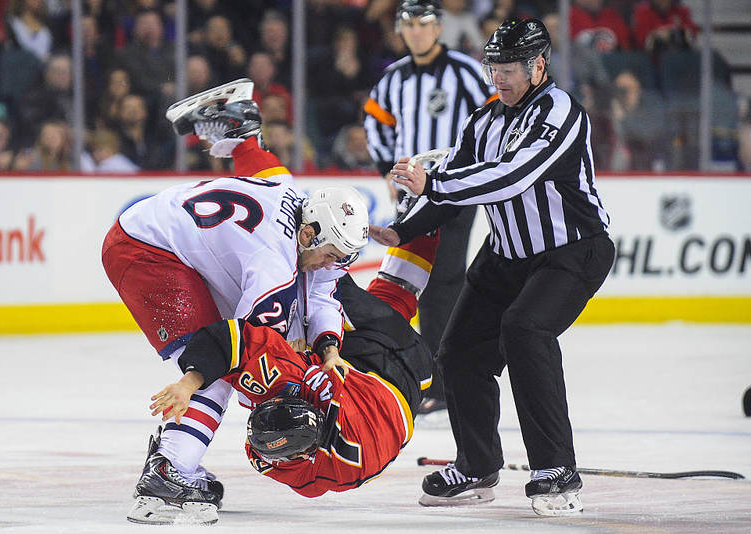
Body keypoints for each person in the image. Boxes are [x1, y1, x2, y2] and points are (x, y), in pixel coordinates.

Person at [370, 18, 614, 516]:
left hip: (572, 251)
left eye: (507, 70)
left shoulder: (561, 111)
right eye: (492, 69)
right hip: (506, 255)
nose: (497, 79)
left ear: (538, 66)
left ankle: (556, 470)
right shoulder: (482, 121)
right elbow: (455, 182)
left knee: (524, 330)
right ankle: (477, 466)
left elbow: (513, 175)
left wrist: (432, 186)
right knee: (458, 351)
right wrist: (405, 229)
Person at [102, 80, 370, 524]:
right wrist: (191, 382)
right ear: (308, 235)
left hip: (164, 239)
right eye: (330, 254)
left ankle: (238, 117)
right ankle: (171, 469)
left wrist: (328, 347)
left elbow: (257, 158)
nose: (332, 265)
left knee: (238, 349)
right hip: (143, 252)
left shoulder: (292, 193)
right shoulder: (273, 267)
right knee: (227, 371)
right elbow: (235, 344)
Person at [147, 218, 441, 507]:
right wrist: (308, 350)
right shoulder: (275, 440)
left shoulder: (286, 467)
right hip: (386, 377)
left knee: (392, 302)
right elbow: (236, 340)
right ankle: (425, 219)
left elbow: (240, 345)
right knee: (329, 281)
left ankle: (426, 225)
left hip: (416, 383)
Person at [364, 0, 492, 415]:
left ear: (439, 28)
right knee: (407, 280)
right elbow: (375, 123)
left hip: (455, 190)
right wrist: (387, 169)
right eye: (409, 24)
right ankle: (419, 373)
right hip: (411, 195)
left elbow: (495, 120)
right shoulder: (393, 78)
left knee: (445, 280)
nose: (417, 32)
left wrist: (476, 170)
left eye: (425, 24)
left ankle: (443, 376)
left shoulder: (467, 71)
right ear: (401, 30)